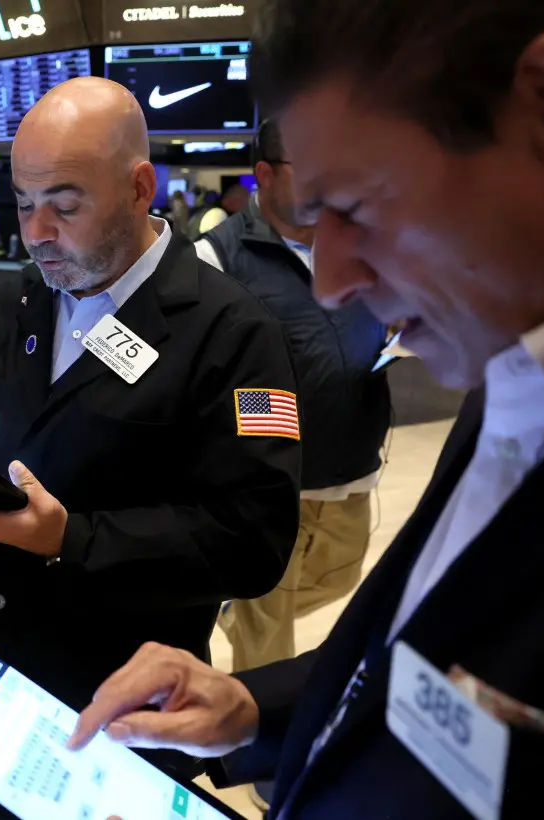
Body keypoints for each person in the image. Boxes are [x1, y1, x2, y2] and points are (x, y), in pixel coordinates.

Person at [69, 3, 544, 818]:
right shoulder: (506, 392)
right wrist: (254, 707)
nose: (332, 282)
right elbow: (412, 673)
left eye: (358, 207)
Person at [0, 76, 302, 814]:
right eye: (23, 204)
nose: (37, 230)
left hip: (115, 722)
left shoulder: (233, 333)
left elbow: (255, 539)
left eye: (64, 204)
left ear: (140, 186)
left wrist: (69, 539)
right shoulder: (14, 301)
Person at [196, 118, 393, 675]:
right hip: (269, 486)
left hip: (352, 469)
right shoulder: (218, 259)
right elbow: (202, 376)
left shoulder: (358, 243)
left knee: (341, 579)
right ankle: (251, 748)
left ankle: (236, 609)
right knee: (269, 635)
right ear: (264, 174)